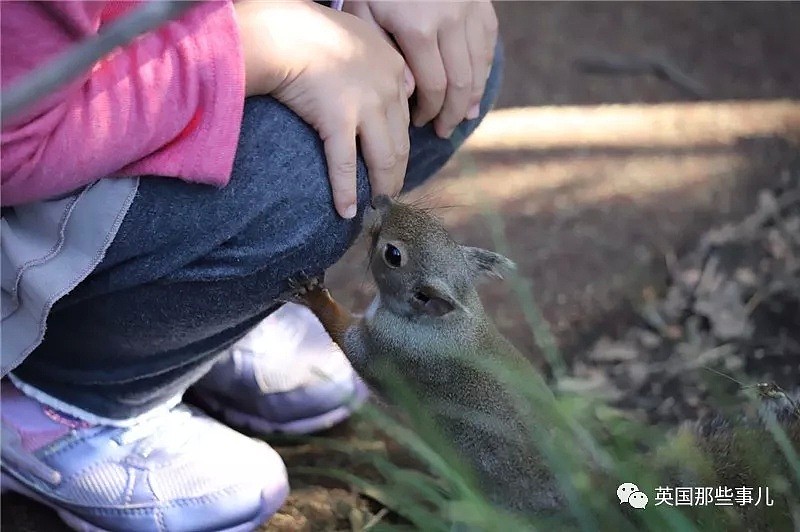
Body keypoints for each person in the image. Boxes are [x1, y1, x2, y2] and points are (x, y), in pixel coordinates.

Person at [0, 1, 503, 530]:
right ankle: (56, 394)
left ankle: (187, 317)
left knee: (440, 60)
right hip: (44, 134)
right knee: (313, 172)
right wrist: (254, 48)